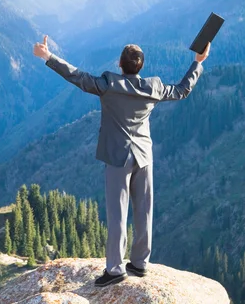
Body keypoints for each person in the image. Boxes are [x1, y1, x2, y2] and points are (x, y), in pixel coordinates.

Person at [33, 36, 210, 287]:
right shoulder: (154, 87)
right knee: (144, 210)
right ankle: (139, 264)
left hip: (118, 157)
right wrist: (198, 62)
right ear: (141, 66)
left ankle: (115, 270)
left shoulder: (108, 84)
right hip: (144, 156)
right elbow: (182, 90)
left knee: (118, 214)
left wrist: (48, 57)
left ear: (120, 64)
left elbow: (76, 76)